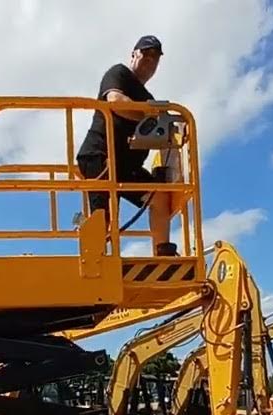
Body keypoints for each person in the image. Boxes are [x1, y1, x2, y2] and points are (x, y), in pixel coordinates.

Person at [76, 35, 175, 256]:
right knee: (105, 216)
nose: (150, 61)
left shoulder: (147, 98)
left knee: (159, 197)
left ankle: (164, 254)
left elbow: (163, 129)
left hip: (126, 166)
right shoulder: (118, 74)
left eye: (155, 58)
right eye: (146, 54)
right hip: (101, 156)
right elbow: (115, 103)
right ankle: (97, 259)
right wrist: (149, 115)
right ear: (133, 55)